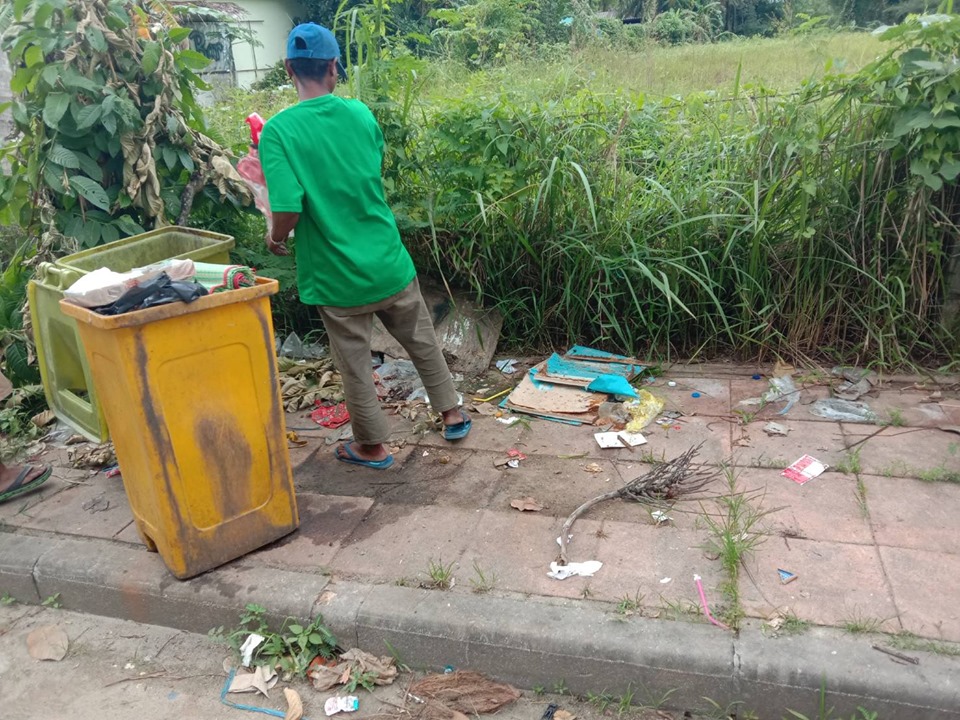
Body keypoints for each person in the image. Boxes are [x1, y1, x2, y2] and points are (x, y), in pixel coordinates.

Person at [259, 23, 470, 470]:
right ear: (334, 68)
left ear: (288, 69)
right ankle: (452, 413)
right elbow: (363, 172)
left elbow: (288, 207)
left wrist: (275, 237)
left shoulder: (278, 132)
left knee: (354, 366)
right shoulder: (360, 114)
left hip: (337, 278)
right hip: (388, 261)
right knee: (422, 341)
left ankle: (372, 447)